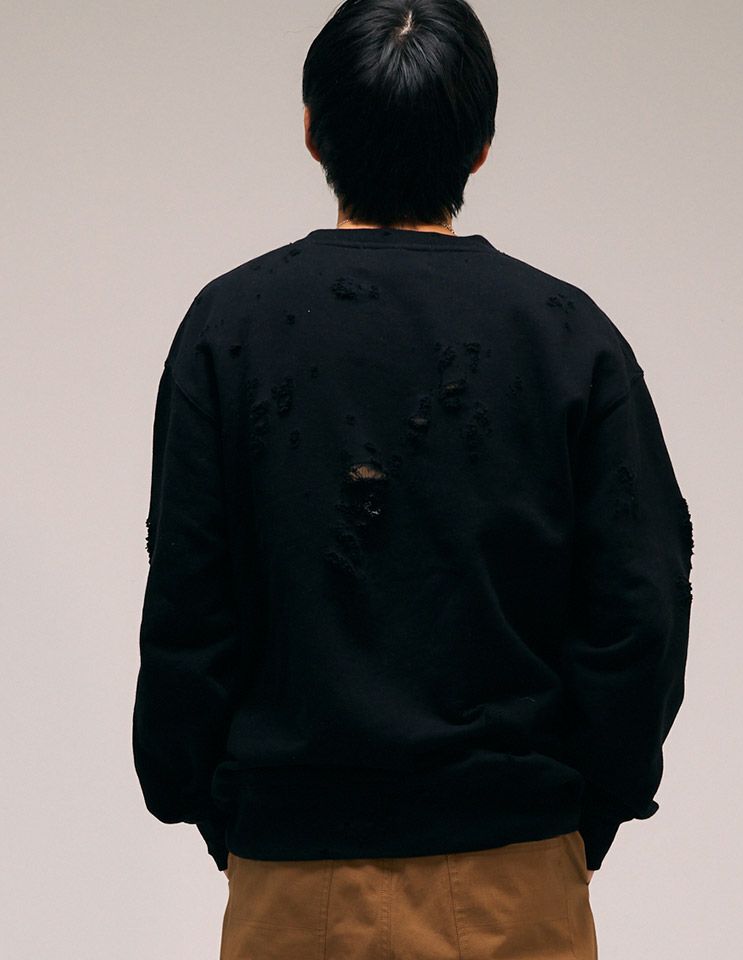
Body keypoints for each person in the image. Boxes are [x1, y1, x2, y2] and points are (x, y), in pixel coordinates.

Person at [131, 1, 694, 957]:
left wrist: (217, 806)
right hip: (516, 873)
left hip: (291, 878)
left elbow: (190, 601)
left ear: (312, 130)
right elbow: (640, 604)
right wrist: (585, 808)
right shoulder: (566, 335)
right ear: (481, 144)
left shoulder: (231, 327)